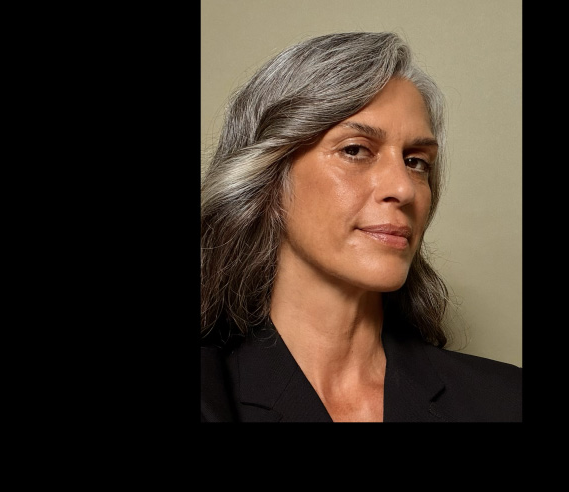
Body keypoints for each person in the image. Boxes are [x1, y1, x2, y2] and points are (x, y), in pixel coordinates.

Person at [200, 31, 521, 422]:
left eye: (416, 161)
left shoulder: (507, 401)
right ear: (268, 178)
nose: (403, 188)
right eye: (355, 150)